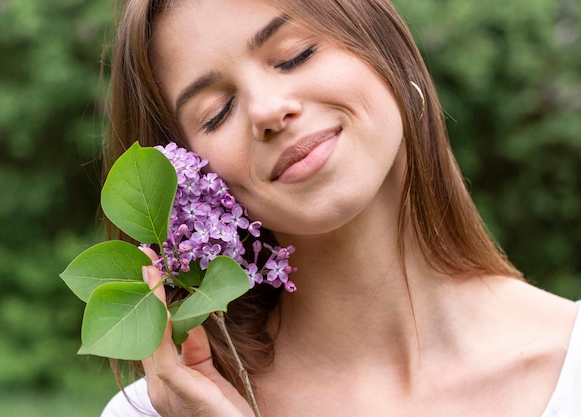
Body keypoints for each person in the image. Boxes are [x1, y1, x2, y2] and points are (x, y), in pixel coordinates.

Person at [100, 0, 581, 416]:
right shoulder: (171, 410)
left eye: (294, 55)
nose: (268, 109)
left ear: (385, 46)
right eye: (217, 112)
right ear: (186, 178)